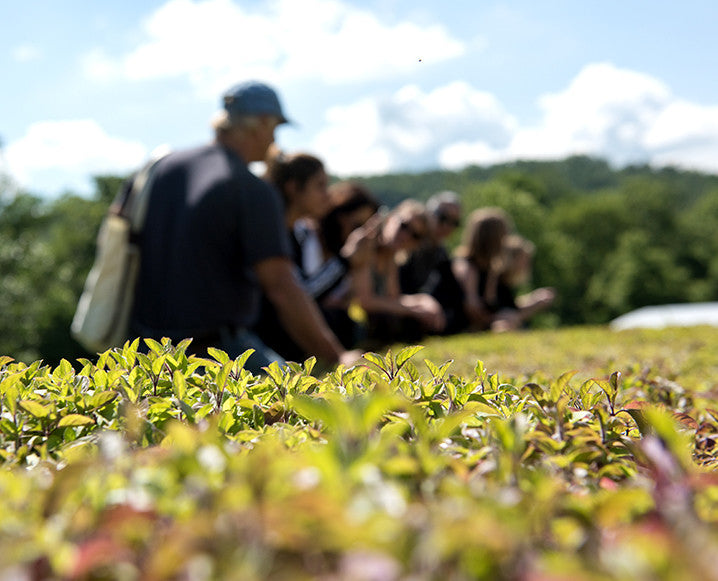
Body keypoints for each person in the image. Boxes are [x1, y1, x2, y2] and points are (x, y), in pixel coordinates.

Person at [129, 81, 356, 373]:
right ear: (260, 123)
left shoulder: (164, 168)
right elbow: (282, 288)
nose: (274, 140)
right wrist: (337, 356)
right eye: (274, 128)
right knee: (298, 401)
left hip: (145, 350)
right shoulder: (250, 189)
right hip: (216, 351)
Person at [349, 199, 446, 345]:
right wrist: (413, 309)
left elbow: (393, 298)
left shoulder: (390, 257)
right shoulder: (367, 245)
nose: (405, 236)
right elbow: (365, 301)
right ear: (390, 218)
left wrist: (423, 301)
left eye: (415, 235)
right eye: (404, 226)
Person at [453, 207, 515, 332]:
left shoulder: (490, 268)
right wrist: (499, 320)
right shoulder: (466, 267)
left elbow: (490, 304)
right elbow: (473, 309)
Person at [399, 190, 462, 295]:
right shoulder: (409, 241)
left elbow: (453, 291)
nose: (447, 226)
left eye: (454, 223)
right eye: (443, 218)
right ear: (429, 213)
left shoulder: (440, 251)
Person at [490, 234, 556, 332]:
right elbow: (503, 314)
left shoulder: (505, 282)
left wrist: (534, 299)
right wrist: (535, 305)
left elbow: (510, 306)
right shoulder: (495, 281)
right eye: (524, 259)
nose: (527, 264)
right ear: (512, 259)